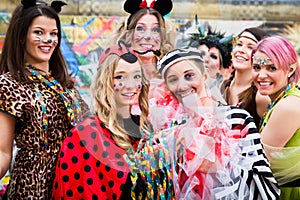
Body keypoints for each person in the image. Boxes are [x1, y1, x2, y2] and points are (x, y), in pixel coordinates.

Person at [52, 41, 173, 199]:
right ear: (106, 80)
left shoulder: (145, 127)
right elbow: (73, 190)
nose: (130, 85)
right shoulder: (87, 133)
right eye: (120, 77)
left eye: (136, 76)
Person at [155, 48, 280, 199]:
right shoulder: (171, 131)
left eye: (189, 76)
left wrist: (219, 168)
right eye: (173, 79)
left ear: (205, 75)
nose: (182, 86)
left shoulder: (237, 120)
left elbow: (268, 191)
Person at [0, 0, 89, 198]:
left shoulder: (66, 85)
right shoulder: (9, 84)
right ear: (22, 36)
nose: (48, 39)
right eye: (38, 32)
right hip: (33, 186)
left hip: (72, 183)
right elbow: (3, 152)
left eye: (53, 33)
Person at [251, 35, 300, 199]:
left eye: (271, 68)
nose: (261, 75)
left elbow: (257, 160)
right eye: (256, 67)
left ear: (291, 70)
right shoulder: (277, 100)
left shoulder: (288, 106)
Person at [221, 27, 270, 128]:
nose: (241, 50)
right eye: (239, 44)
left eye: (250, 47)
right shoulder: (225, 85)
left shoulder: (260, 96)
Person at [113, 0, 174, 81]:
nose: (148, 36)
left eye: (155, 30)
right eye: (140, 29)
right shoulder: (114, 73)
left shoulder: (174, 74)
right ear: (128, 36)